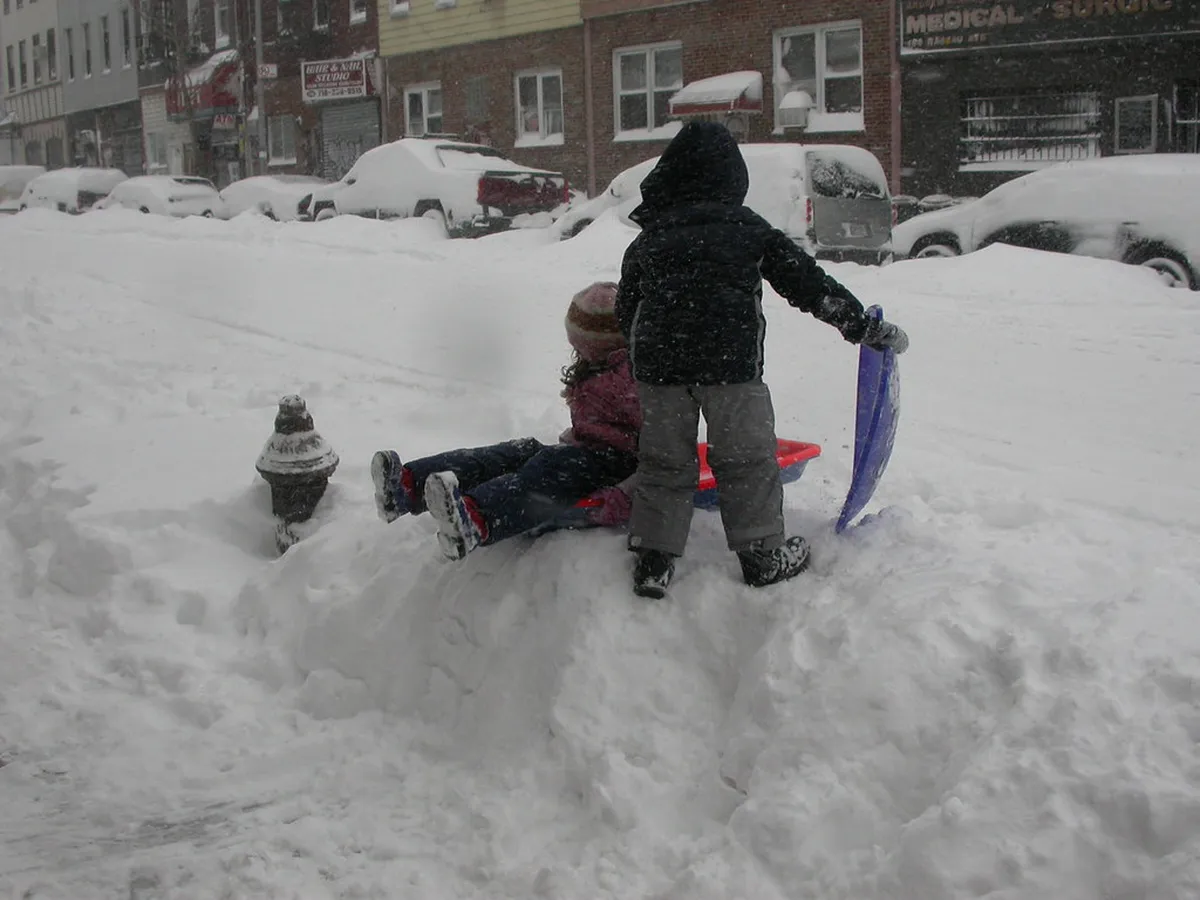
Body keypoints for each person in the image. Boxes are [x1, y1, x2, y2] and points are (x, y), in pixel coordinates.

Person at [614, 121, 909, 599]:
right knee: (746, 460)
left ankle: (653, 560)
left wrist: (641, 356)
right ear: (733, 178)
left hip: (661, 372)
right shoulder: (747, 230)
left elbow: (627, 307)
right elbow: (809, 285)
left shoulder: (651, 238)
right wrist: (861, 326)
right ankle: (761, 556)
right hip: (730, 368)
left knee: (664, 463)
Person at [370, 282, 642, 560]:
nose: (577, 353)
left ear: (602, 344)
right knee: (517, 452)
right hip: (587, 454)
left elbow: (665, 457)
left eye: (582, 347)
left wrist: (622, 496)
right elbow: (599, 428)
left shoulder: (636, 382)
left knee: (545, 469)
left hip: (616, 469)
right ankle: (406, 486)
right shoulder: (601, 367)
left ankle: (475, 521)